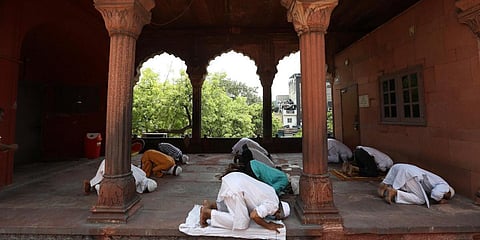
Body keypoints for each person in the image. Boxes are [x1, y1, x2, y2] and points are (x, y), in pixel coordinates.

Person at [199, 172, 290, 232]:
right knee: (241, 223)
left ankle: (210, 204)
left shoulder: (272, 193)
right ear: (278, 211)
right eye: (277, 217)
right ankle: (208, 213)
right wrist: (268, 225)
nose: (275, 218)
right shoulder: (273, 206)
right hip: (236, 188)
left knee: (233, 208)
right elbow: (254, 216)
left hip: (234, 178)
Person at [378, 163, 455, 207]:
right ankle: (395, 192)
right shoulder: (445, 186)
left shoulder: (437, 180)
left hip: (400, 166)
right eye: (446, 196)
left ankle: (386, 185)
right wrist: (439, 200)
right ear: (448, 191)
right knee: (421, 200)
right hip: (412, 174)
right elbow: (436, 194)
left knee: (406, 186)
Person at [83, 159, 157, 195]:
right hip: (116, 169)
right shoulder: (136, 182)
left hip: (111, 162)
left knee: (101, 175)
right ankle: (99, 187)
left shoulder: (143, 173)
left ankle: (92, 184)